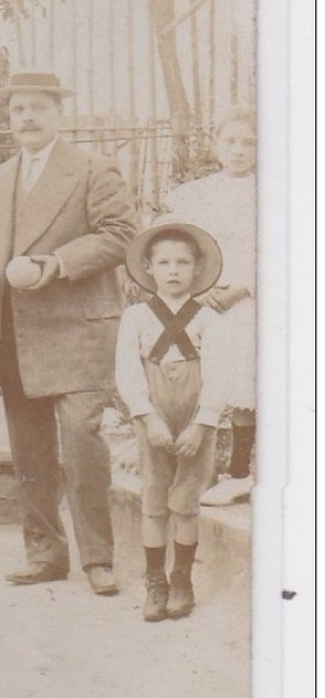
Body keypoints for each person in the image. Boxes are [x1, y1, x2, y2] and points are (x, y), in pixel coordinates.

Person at [0, 70, 138, 594]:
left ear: (58, 113)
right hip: (15, 330)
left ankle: (97, 559)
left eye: (38, 107)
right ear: (9, 118)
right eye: (18, 110)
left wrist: (56, 263)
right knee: (29, 450)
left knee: (82, 442)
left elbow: (123, 236)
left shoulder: (92, 169)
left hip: (77, 329)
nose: (28, 118)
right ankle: (44, 553)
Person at [115, 218, 231, 622]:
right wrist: (148, 418)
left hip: (196, 416)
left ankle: (182, 579)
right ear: (149, 267)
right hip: (154, 415)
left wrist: (203, 424)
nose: (174, 271)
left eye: (183, 262)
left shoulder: (209, 319)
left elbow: (220, 375)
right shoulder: (136, 317)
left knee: (185, 500)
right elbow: (128, 372)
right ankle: (155, 582)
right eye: (164, 263)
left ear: (197, 267)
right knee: (154, 498)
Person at [163, 106, 258, 506]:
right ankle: (195, 472)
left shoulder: (270, 193)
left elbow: (280, 248)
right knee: (198, 379)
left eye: (248, 143)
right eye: (230, 141)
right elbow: (181, 245)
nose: (238, 150)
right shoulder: (198, 195)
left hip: (249, 298)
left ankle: (239, 473)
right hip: (203, 299)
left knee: (243, 382)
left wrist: (243, 288)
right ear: (215, 144)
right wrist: (199, 289)